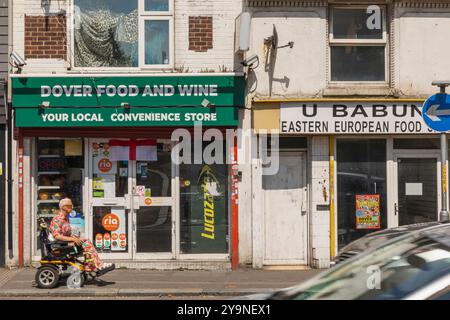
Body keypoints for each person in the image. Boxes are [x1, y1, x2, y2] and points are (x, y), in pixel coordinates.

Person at [50, 198, 114, 273]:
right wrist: (73, 239)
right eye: (70, 206)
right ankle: (98, 265)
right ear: (64, 207)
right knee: (86, 242)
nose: (72, 207)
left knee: (85, 241)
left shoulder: (65, 218)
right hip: (60, 245)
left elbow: (65, 233)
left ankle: (90, 265)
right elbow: (57, 236)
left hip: (65, 243)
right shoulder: (57, 219)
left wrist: (74, 237)